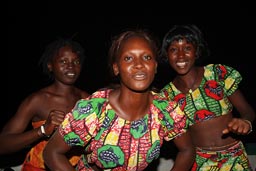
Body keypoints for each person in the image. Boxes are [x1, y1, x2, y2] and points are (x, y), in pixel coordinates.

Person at [43, 29, 195, 171]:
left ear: (155, 66)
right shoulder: (95, 110)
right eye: (128, 58)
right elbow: (52, 153)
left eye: (146, 57)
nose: (139, 65)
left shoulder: (166, 110)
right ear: (116, 68)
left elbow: (187, 150)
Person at [160, 24, 255, 171]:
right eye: (173, 50)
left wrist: (245, 122)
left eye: (187, 48)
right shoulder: (167, 96)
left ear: (196, 52)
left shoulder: (217, 74)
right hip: (199, 162)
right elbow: (182, 145)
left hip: (235, 158)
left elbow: (247, 111)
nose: (180, 55)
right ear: (166, 55)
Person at [0, 38, 90, 170]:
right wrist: (42, 130)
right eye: (63, 61)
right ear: (50, 66)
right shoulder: (37, 100)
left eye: (75, 61)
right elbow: (3, 144)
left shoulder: (87, 100)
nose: (71, 66)